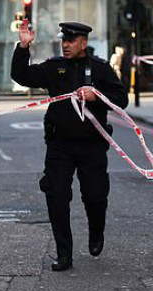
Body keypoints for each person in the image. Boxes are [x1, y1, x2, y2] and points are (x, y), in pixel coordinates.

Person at [11, 20, 128, 272]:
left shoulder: (100, 69)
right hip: (59, 145)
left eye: (70, 41)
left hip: (92, 145)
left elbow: (121, 99)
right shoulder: (55, 67)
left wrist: (97, 96)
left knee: (95, 197)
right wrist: (23, 47)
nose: (65, 45)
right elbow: (21, 76)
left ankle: (96, 232)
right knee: (57, 196)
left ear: (83, 43)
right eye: (63, 40)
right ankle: (64, 254)